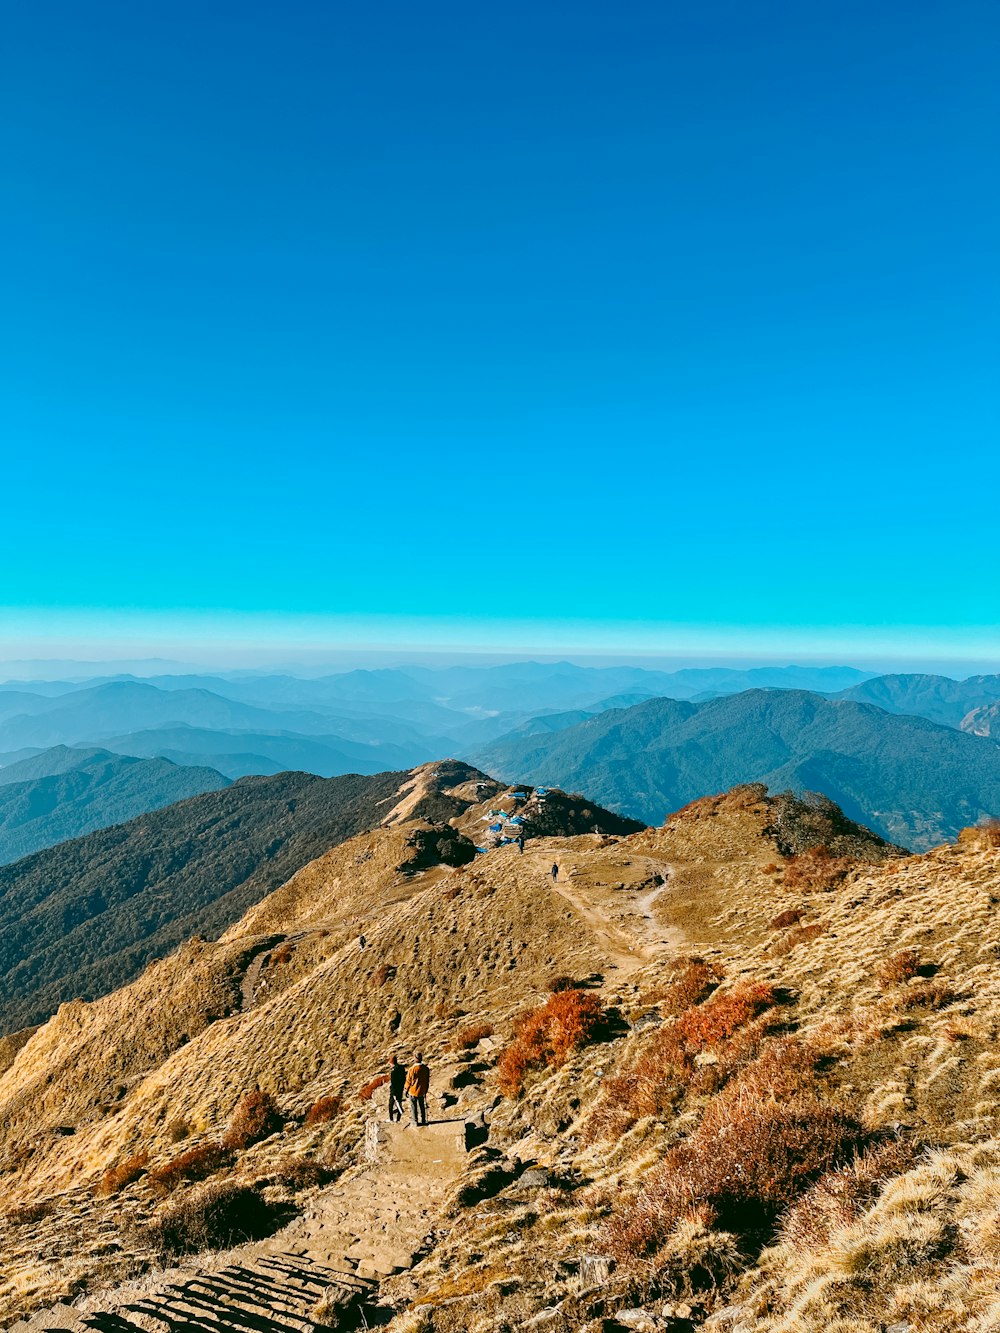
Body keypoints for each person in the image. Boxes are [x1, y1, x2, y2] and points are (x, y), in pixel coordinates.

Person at [405, 1051, 430, 1127]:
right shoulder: (426, 1069)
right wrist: (426, 1089)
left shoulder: (412, 1069)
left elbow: (408, 1081)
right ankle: (423, 1120)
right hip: (422, 1090)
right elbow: (427, 1080)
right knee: (422, 1105)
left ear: (415, 1058)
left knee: (413, 1107)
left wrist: (406, 1089)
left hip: (413, 1091)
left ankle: (415, 1121)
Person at [387, 1054, 406, 1122]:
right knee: (399, 1103)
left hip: (394, 1091)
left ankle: (391, 1119)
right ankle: (398, 1119)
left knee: (391, 1105)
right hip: (400, 1089)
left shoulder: (393, 1071)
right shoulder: (401, 1068)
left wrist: (394, 1093)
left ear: (391, 1063)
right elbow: (404, 1078)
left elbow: (393, 1083)